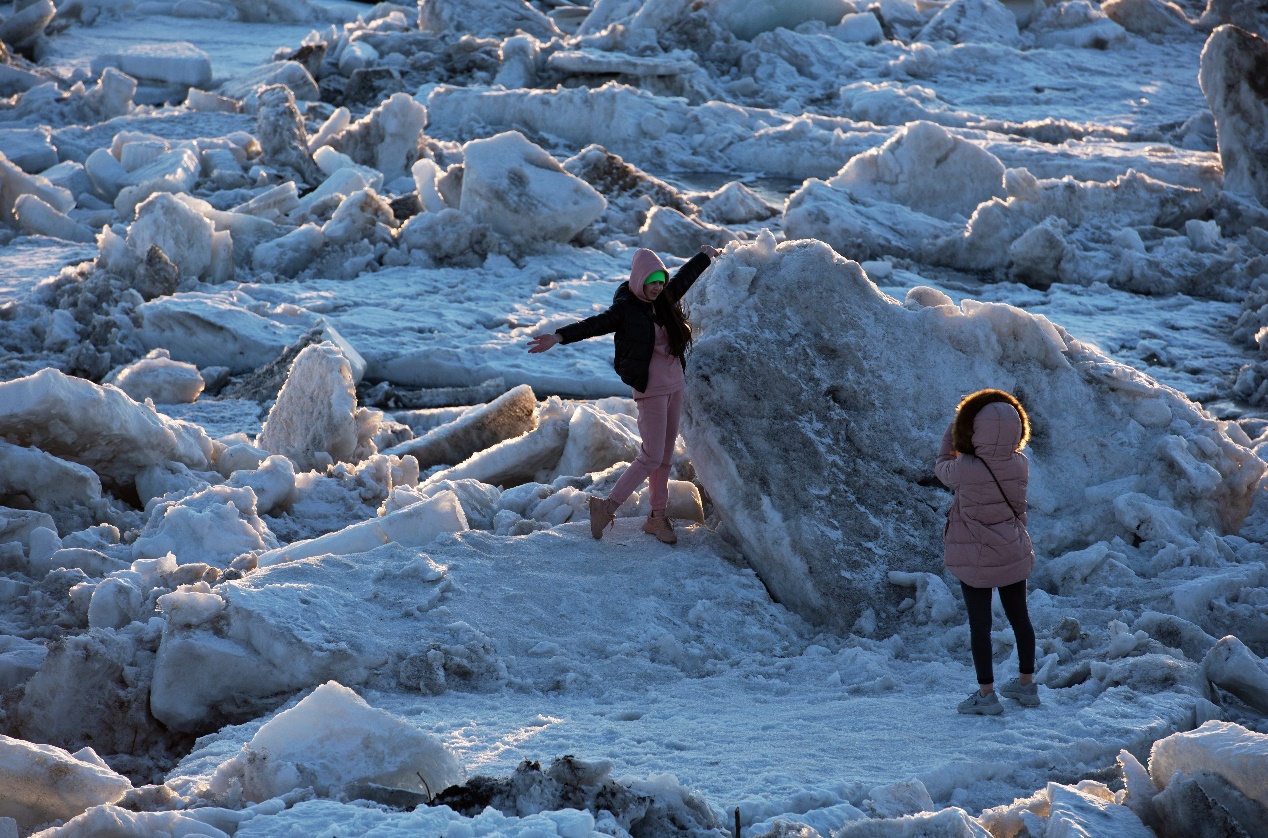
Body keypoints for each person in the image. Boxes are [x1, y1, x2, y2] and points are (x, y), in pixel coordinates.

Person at [527, 244, 722, 545]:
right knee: (651, 456)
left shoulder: (665, 299)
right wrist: (558, 336)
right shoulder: (626, 310)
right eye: (652, 282)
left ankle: (657, 517)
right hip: (651, 391)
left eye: (660, 282)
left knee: (664, 458)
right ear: (639, 280)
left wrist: (705, 256)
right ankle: (606, 507)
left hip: (675, 385)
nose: (657, 287)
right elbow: (594, 324)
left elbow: (684, 278)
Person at [935, 389, 1039, 715]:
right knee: (1020, 619)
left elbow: (942, 467)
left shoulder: (965, 466)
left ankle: (986, 695)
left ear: (974, 428)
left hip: (975, 556)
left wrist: (953, 431)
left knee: (980, 626)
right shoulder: (1020, 463)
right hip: (1012, 549)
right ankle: (1027, 686)